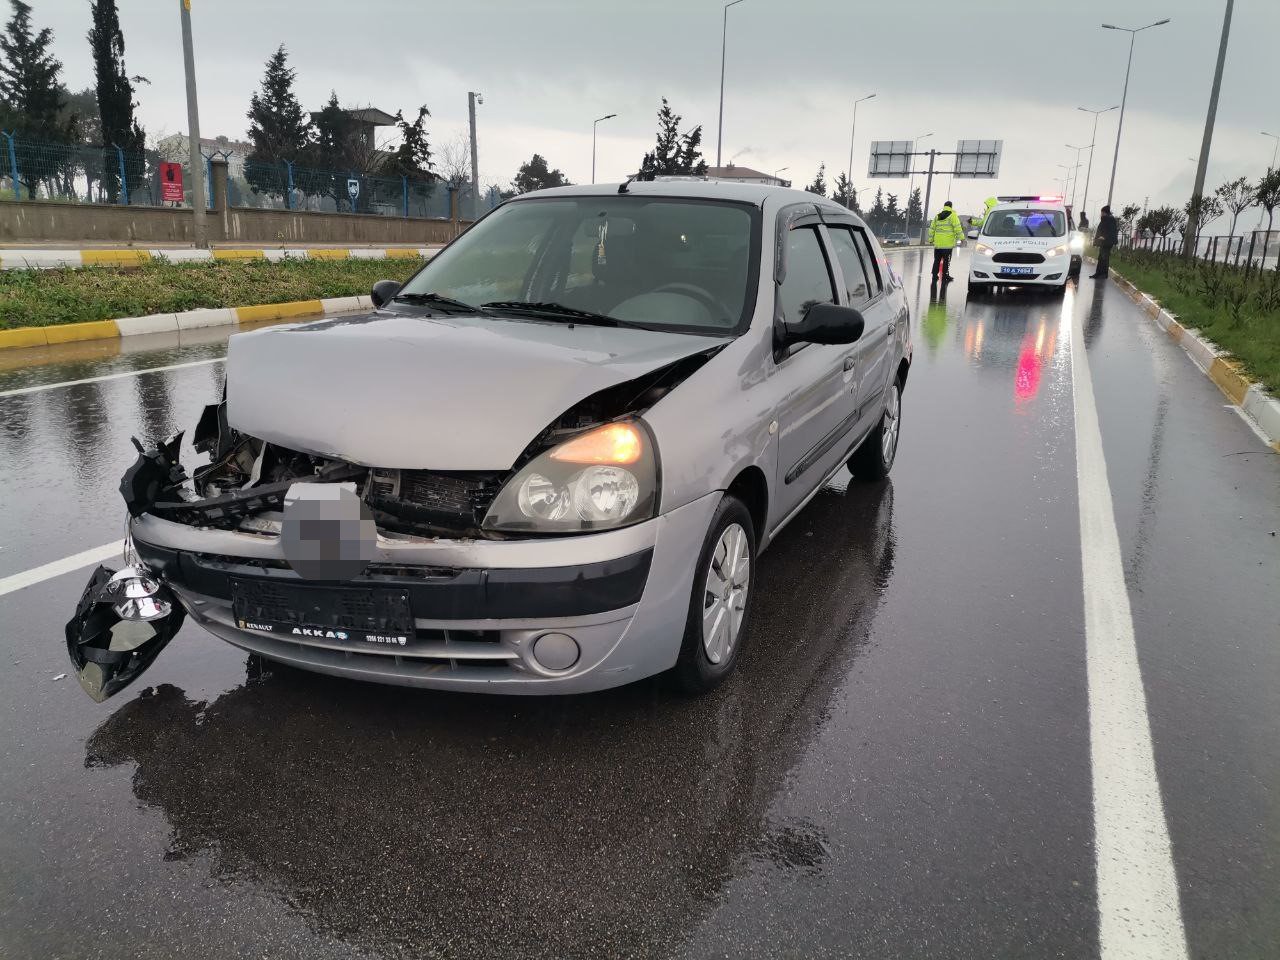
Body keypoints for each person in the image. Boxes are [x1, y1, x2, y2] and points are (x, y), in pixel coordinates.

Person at [927, 200, 964, 281]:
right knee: (946, 261)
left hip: (938, 244)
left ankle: (934, 275)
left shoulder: (937, 216)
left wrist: (930, 239)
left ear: (944, 206)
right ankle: (945, 276)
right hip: (947, 245)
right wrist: (961, 238)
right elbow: (957, 227)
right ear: (951, 207)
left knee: (937, 260)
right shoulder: (953, 215)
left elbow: (932, 229)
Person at [1091, 205, 1118, 279]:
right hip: (1103, 242)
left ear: (1104, 212)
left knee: (1104, 258)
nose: (1101, 214)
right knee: (1101, 258)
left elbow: (1111, 231)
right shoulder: (1106, 219)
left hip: (1107, 242)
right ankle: (1098, 273)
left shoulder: (1110, 219)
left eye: (1102, 212)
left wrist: (1104, 237)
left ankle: (1103, 274)